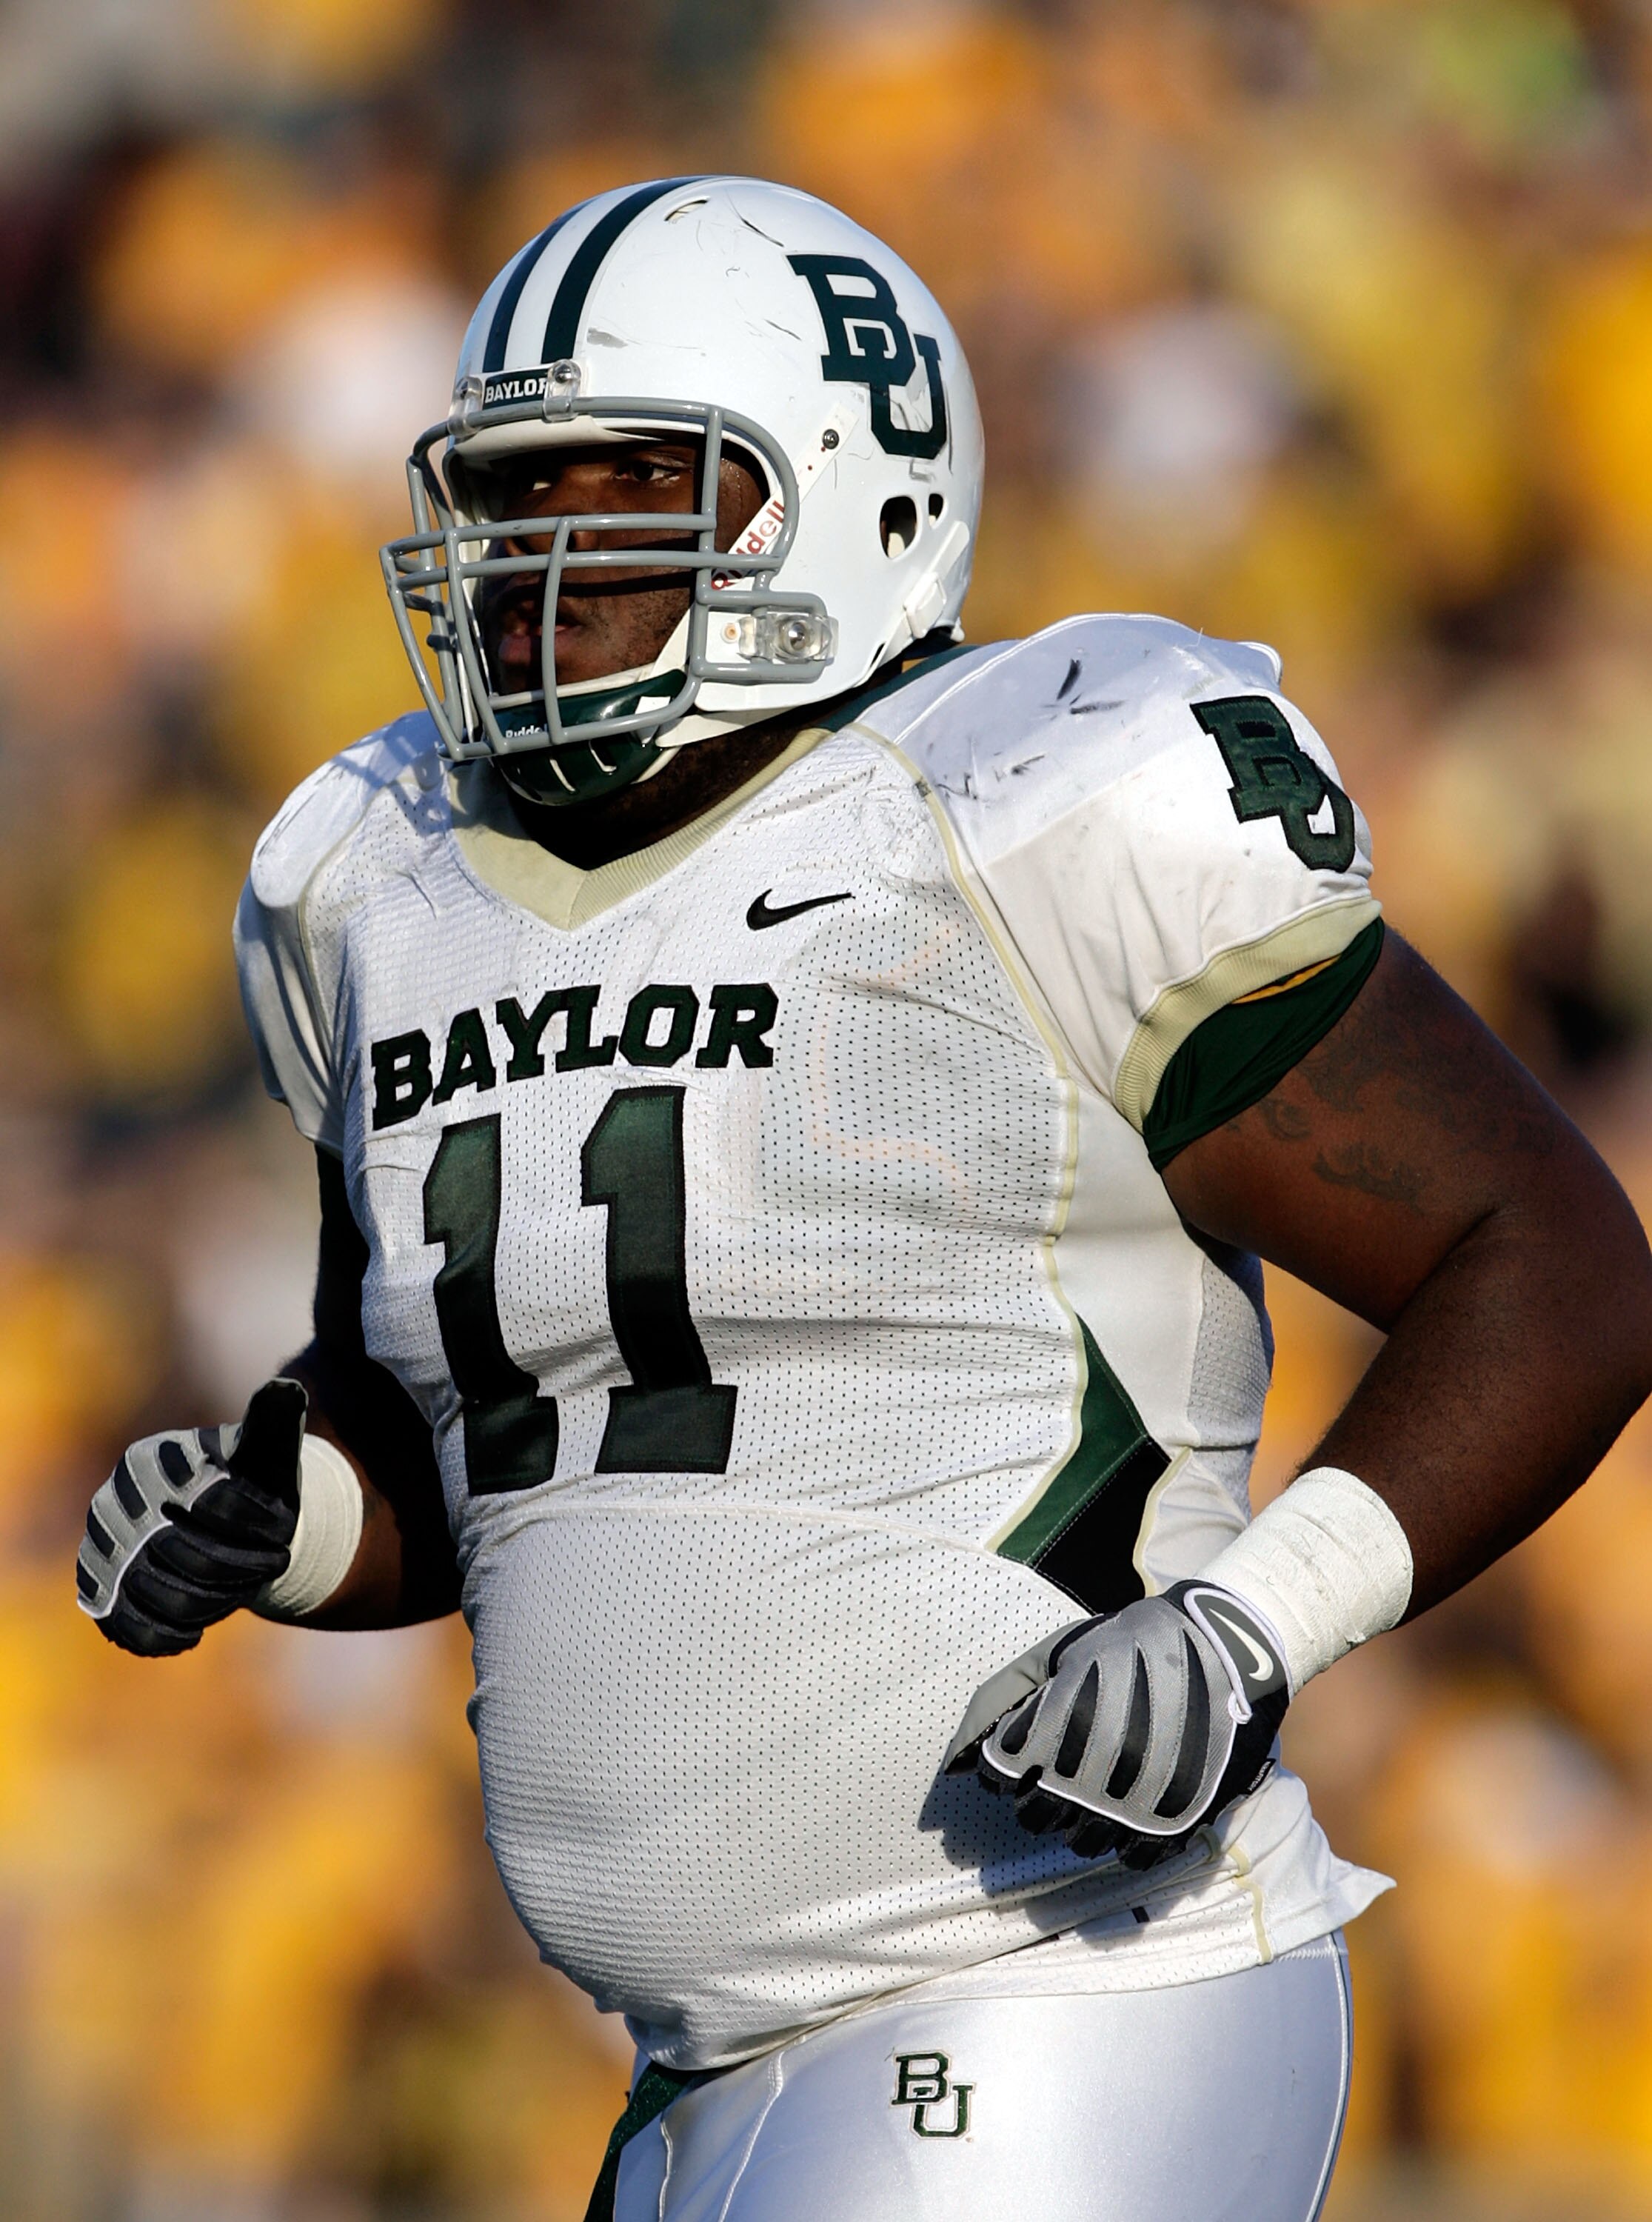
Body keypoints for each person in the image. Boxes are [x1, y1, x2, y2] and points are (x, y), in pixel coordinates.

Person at [76, 178, 1652, 2221]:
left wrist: (1250, 1628)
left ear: (839, 494)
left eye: (629, 494)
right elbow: (498, 1451)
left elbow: (1554, 1264)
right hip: (690, 2064)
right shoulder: (376, 886)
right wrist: (276, 1519)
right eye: (513, 502)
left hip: (1057, 1978)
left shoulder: (1019, 801)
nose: (544, 568)